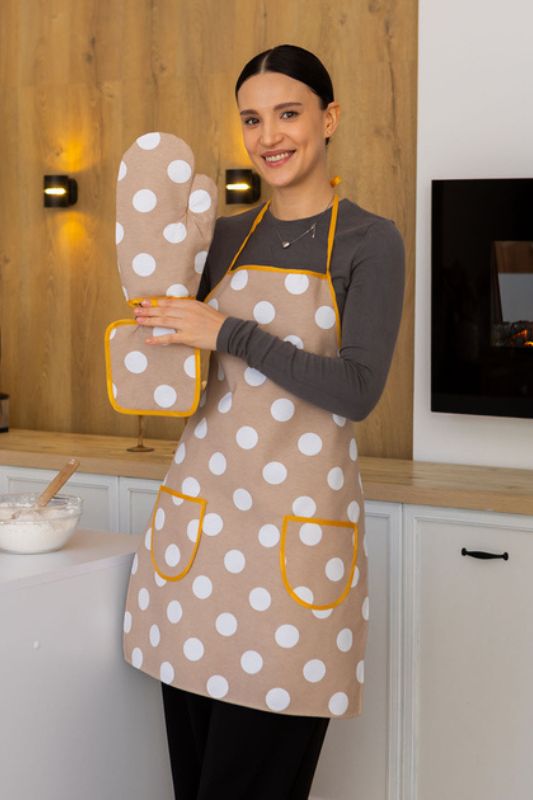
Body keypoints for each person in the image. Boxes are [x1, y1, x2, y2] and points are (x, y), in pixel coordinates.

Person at [125, 44, 405, 799]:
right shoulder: (220, 236)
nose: (269, 136)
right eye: (252, 120)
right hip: (199, 546)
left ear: (328, 118)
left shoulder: (369, 241)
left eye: (288, 113)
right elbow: (173, 374)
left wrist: (228, 332)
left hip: (293, 558)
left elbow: (357, 390)